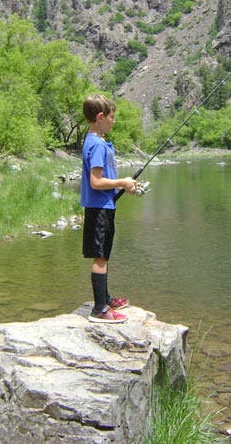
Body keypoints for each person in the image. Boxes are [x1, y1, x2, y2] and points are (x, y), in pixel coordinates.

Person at [80, 94, 139, 323]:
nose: (114, 121)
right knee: (100, 258)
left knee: (103, 255)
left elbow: (103, 182)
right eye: (112, 117)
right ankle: (99, 310)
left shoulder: (96, 141)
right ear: (100, 117)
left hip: (102, 206)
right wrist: (122, 182)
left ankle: (105, 297)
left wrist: (123, 186)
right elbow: (96, 182)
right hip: (99, 209)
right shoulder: (96, 145)